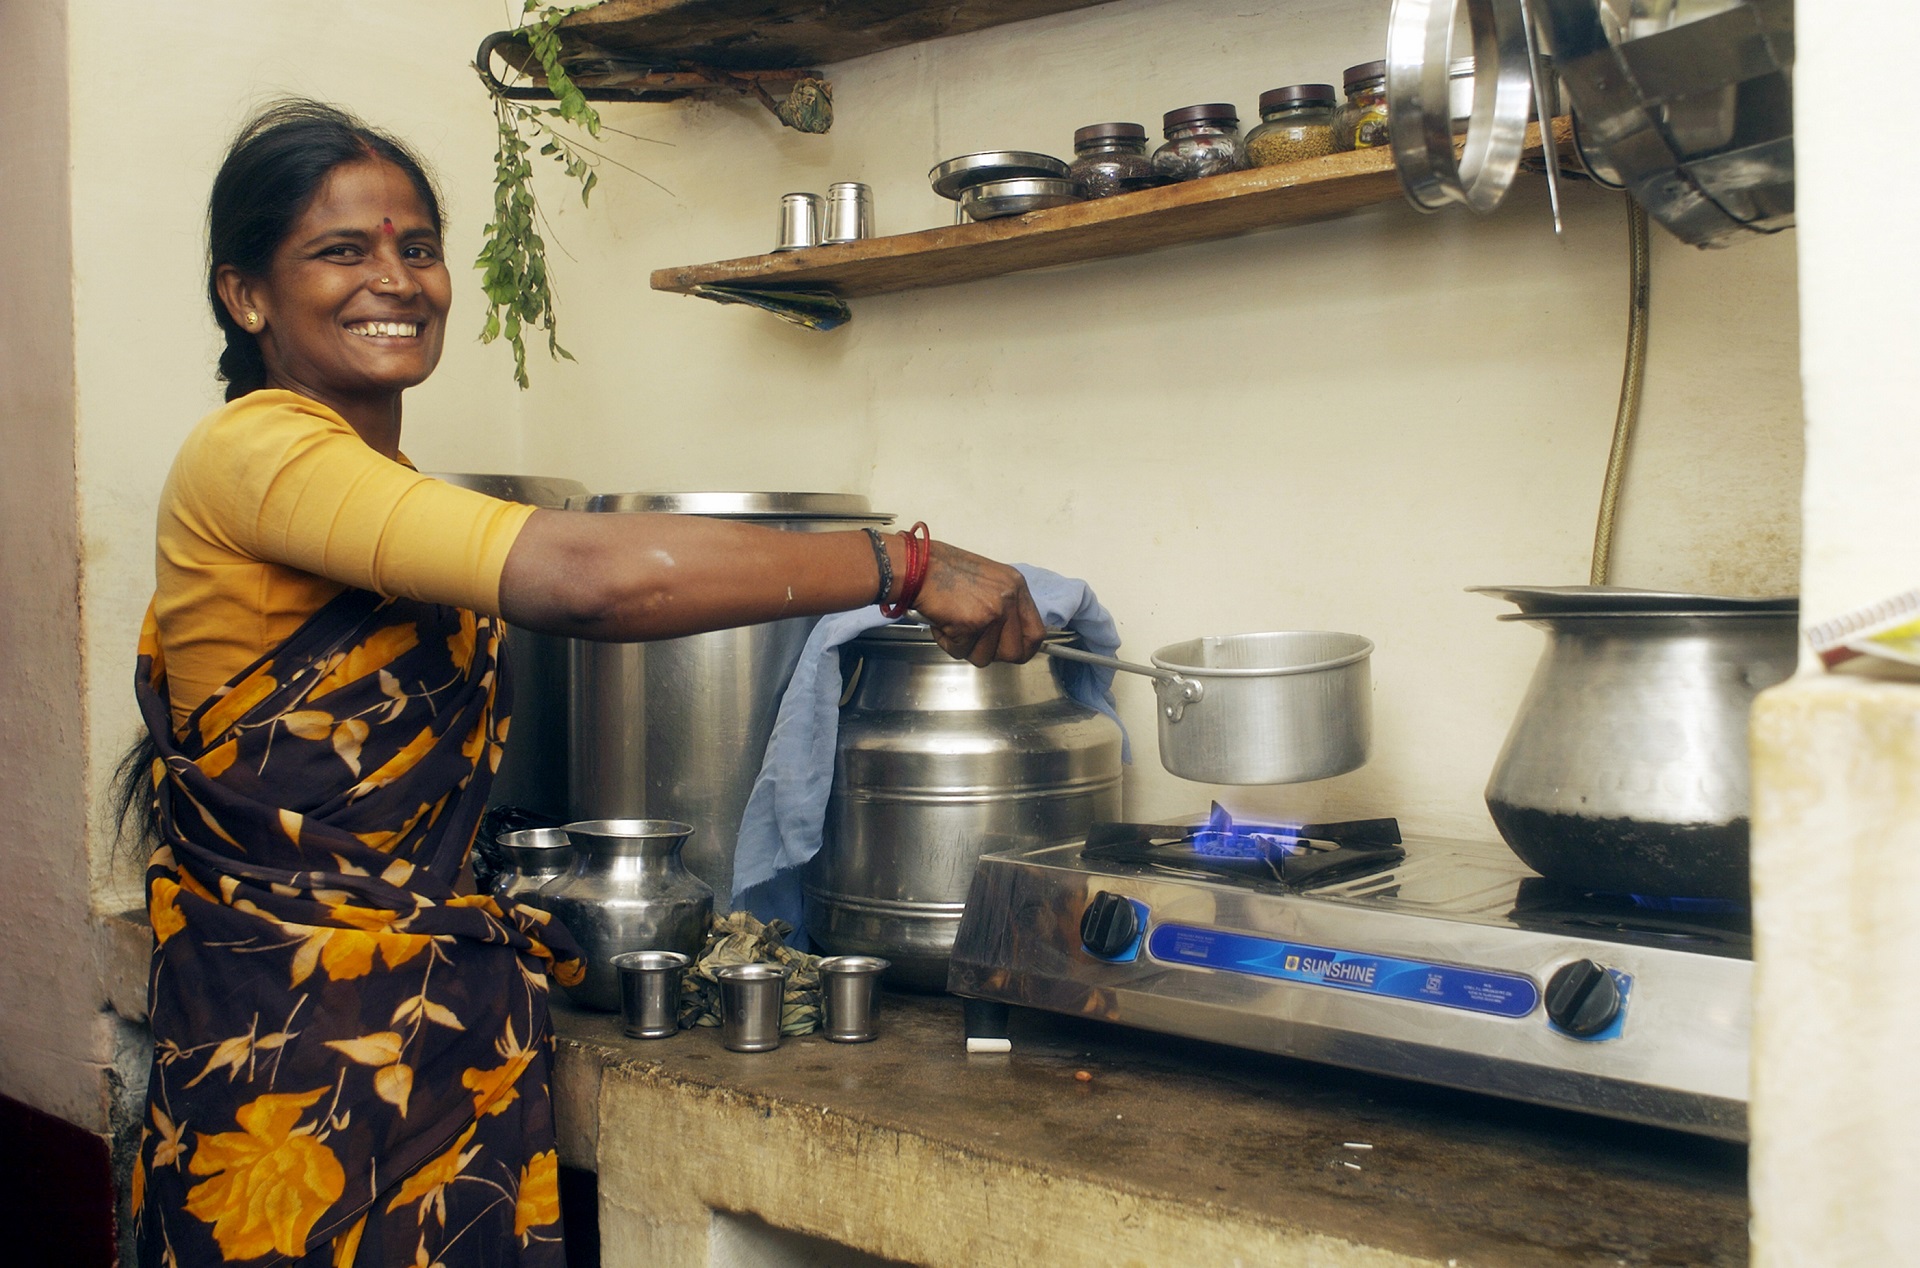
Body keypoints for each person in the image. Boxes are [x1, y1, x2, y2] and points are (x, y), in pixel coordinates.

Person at [124, 99, 1045, 1267]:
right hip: (290, 1063)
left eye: (417, 247)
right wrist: (903, 562)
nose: (396, 280)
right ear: (246, 295)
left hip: (422, 1027)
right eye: (340, 250)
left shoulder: (371, 481)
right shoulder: (253, 450)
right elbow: (586, 579)